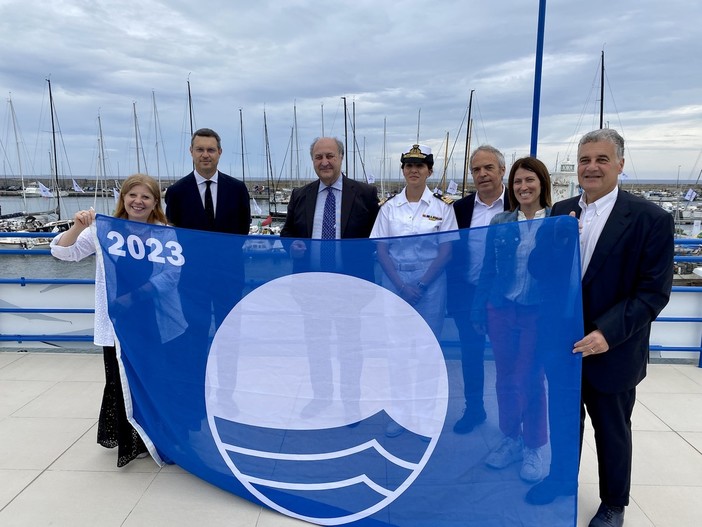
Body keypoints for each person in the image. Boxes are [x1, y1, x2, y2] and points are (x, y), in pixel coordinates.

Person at [526, 129, 674, 527]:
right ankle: (560, 481)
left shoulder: (651, 219)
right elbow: (537, 269)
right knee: (563, 420)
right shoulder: (560, 211)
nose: (591, 167)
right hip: (562, 345)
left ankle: (613, 503)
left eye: (601, 159)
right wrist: (559, 245)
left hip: (615, 347)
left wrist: (607, 333)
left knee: (611, 430)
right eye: (585, 160)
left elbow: (653, 292)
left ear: (620, 165)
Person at [50, 174, 169, 467]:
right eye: (133, 195)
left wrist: (137, 295)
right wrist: (78, 226)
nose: (138, 202)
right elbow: (63, 252)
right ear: (123, 198)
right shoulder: (104, 230)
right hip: (115, 321)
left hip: (150, 318)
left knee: (150, 376)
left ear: (155, 202)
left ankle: (153, 434)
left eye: (145, 197)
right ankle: (128, 439)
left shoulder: (164, 232)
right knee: (118, 378)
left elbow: (171, 276)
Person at [280, 137, 379, 419]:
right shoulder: (301, 194)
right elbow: (287, 233)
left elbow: (378, 237)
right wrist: (293, 246)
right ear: (312, 160)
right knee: (317, 346)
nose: (324, 162)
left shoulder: (365, 194)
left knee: (350, 348)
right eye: (318, 157)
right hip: (311, 288)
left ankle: (351, 403)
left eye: (330, 156)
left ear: (341, 158)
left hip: (350, 289)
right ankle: (321, 396)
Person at [472, 157, 552, 482]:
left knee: (531, 378)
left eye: (530, 180)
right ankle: (511, 438)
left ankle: (533, 445)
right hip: (501, 310)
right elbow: (487, 271)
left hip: (537, 313)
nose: (523, 187)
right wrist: (480, 308)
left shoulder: (557, 222)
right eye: (518, 182)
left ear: (542, 183)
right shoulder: (501, 222)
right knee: (505, 378)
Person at [370, 144, 458, 437]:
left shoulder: (443, 207)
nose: (413, 170)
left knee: (426, 350)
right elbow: (381, 250)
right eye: (408, 165)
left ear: (430, 171)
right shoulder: (389, 208)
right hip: (395, 283)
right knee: (396, 350)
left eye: (420, 166)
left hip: (430, 286)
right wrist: (401, 285)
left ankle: (424, 412)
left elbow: (446, 252)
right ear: (403, 170)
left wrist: (420, 285)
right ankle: (400, 412)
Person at [449, 145, 511, 434]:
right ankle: (474, 409)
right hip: (468, 295)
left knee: (509, 361)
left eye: (489, 168)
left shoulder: (518, 204)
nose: (482, 174)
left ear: (502, 170)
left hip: (509, 298)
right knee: (471, 356)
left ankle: (514, 422)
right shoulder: (459, 209)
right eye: (476, 169)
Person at [165, 127, 251, 235]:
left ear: (219, 152)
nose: (205, 155)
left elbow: (244, 229)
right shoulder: (176, 192)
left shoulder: (237, 189)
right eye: (200, 150)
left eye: (211, 150)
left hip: (229, 251)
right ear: (191, 151)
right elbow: (173, 232)